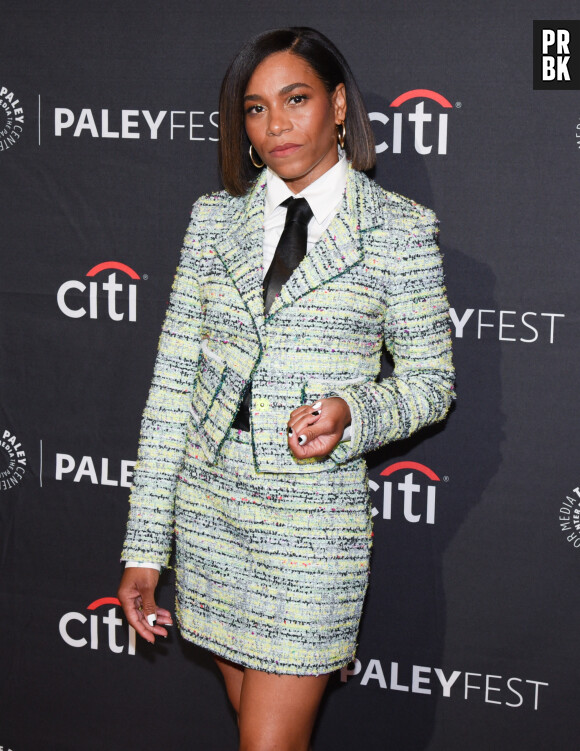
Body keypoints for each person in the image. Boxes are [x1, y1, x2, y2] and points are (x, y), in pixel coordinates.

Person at [118, 26, 455, 751]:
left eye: (296, 100)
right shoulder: (214, 222)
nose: (275, 126)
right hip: (211, 516)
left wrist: (353, 411)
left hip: (311, 531)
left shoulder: (398, 231)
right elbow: (172, 390)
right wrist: (146, 550)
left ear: (338, 105)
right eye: (256, 108)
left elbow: (430, 383)